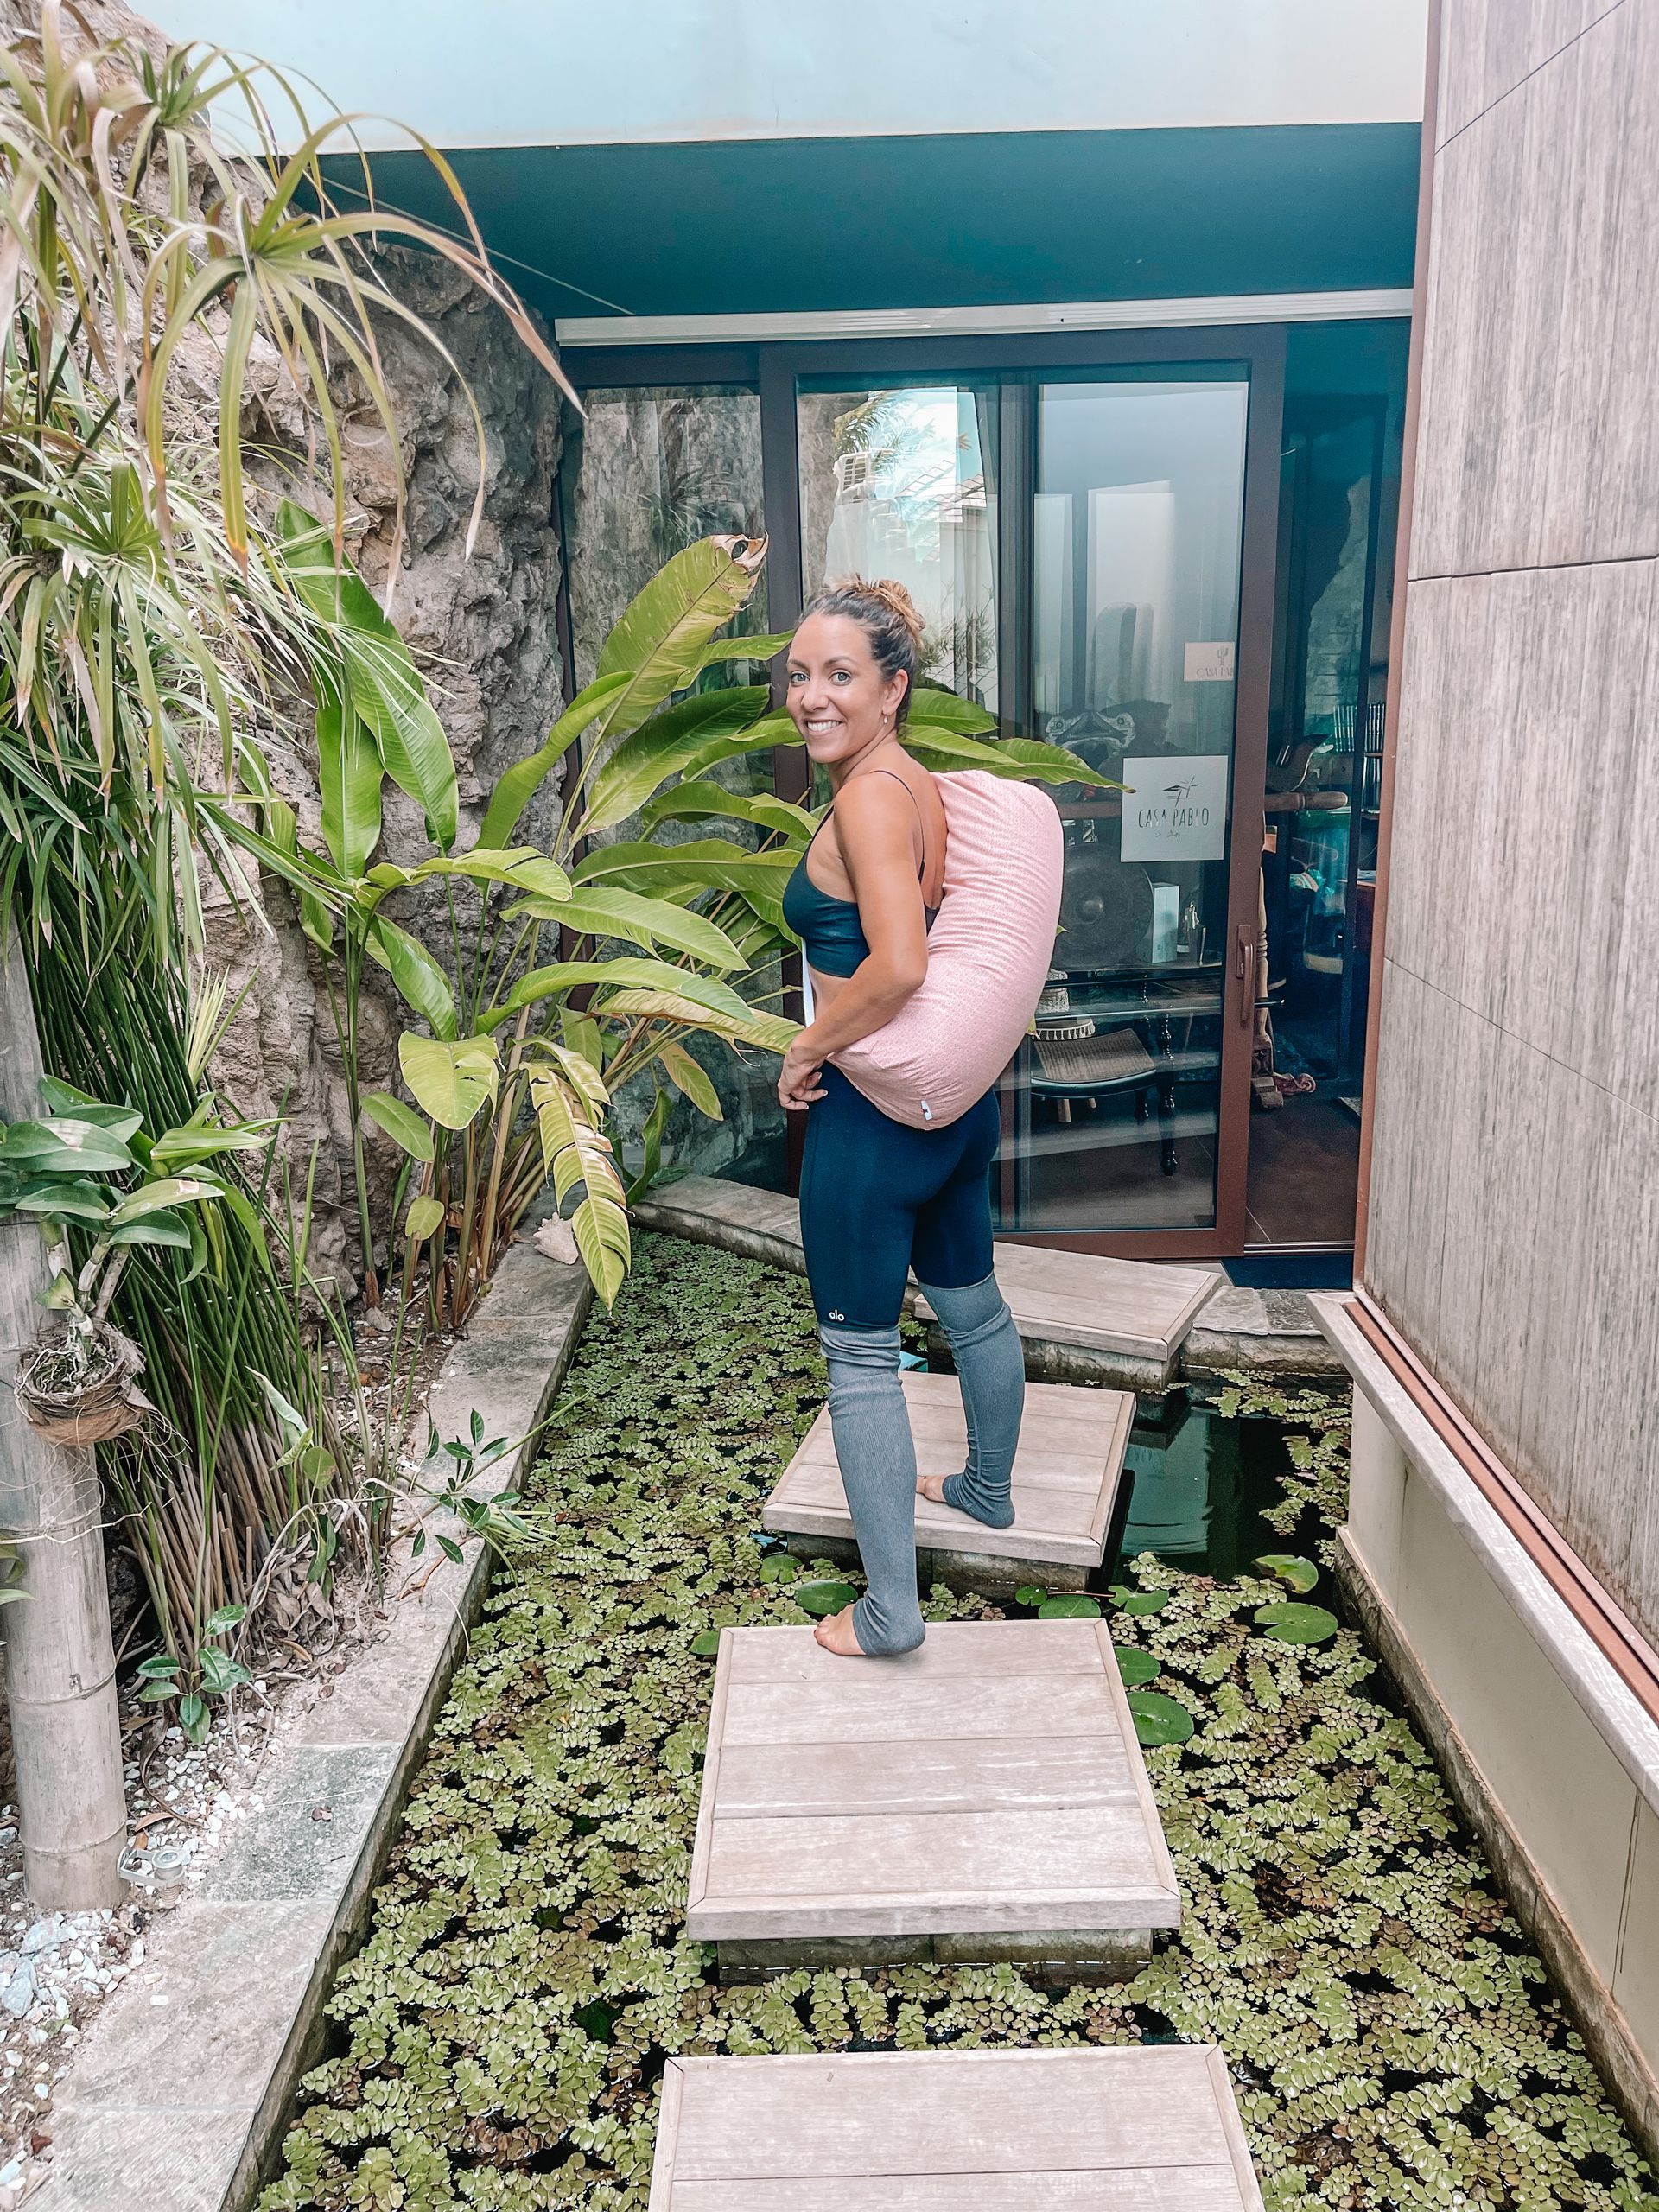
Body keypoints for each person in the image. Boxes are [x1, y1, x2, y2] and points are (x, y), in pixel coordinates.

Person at [777, 578, 1027, 1659]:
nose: (812, 696)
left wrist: (806, 1047)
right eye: (799, 674)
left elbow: (900, 963)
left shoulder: (868, 800)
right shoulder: (916, 784)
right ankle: (987, 1489)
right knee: (973, 1311)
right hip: (951, 1115)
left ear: (892, 689)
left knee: (860, 1361)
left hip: (873, 1126)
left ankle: (889, 1613)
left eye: (840, 674)